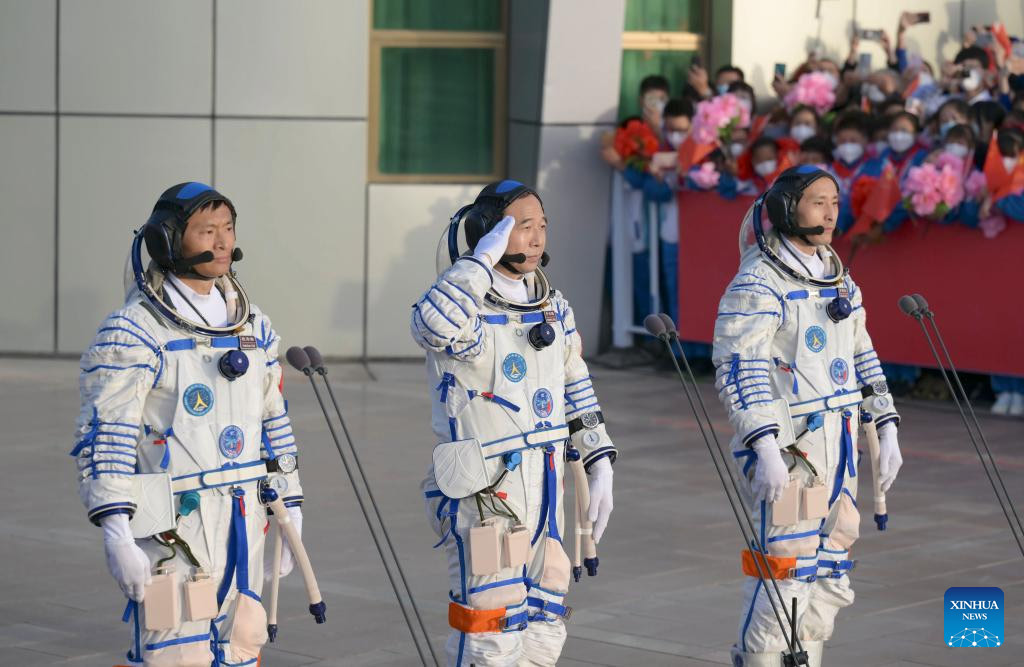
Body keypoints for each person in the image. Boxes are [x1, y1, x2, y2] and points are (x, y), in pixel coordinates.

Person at [72, 183, 305, 664]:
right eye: (206, 231)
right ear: (167, 242)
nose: (222, 243)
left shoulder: (252, 327)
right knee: (176, 652)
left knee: (243, 641)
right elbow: (107, 435)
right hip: (173, 525)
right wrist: (115, 529)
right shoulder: (135, 331)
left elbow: (273, 423)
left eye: (228, 229)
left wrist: (291, 507)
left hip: (245, 517)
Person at [412, 181, 617, 666]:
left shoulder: (552, 305)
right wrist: (476, 264)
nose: (536, 237)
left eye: (541, 226)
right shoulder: (466, 307)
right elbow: (431, 327)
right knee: (489, 628)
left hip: (545, 488)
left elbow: (575, 383)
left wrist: (599, 457)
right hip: (484, 491)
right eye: (522, 227)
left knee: (545, 622)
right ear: (488, 233)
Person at [713, 166, 903, 667]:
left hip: (839, 444)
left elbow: (861, 352)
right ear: (784, 209)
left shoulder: (838, 277)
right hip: (790, 446)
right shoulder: (758, 280)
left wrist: (885, 423)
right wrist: (764, 445)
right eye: (817, 201)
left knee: (832, 564)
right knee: (786, 568)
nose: (830, 212)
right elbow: (740, 367)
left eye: (834, 202)